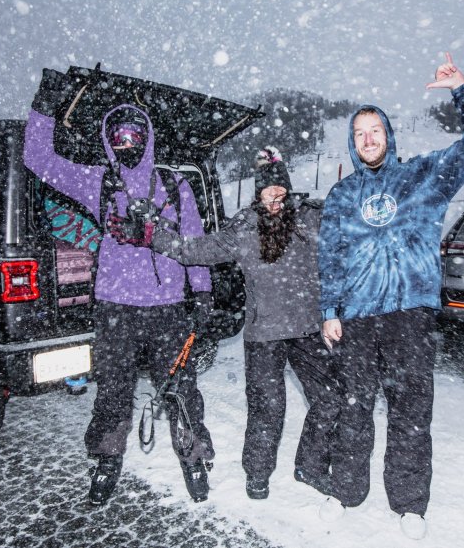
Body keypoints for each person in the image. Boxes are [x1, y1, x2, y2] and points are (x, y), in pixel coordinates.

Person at [318, 52, 464, 539]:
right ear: (352, 144)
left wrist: (462, 90)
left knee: (412, 413)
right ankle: (346, 491)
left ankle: (410, 503)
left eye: (375, 130)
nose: (368, 138)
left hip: (409, 316)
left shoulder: (424, 177)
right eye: (360, 133)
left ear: (388, 135)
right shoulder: (340, 196)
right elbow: (330, 257)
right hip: (355, 319)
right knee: (353, 407)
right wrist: (330, 310)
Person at [110, 147, 347, 503]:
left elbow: (351, 233)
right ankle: (257, 472)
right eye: (267, 191)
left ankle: (310, 466)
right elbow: (192, 250)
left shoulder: (311, 220)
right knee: (269, 408)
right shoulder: (244, 228)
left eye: (280, 191)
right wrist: (150, 234)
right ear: (257, 193)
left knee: (331, 399)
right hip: (264, 334)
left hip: (309, 329)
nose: (274, 198)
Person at [23, 102, 216, 505]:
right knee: (112, 390)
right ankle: (108, 458)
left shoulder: (174, 185)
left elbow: (194, 242)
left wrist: (202, 293)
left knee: (181, 389)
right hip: (116, 308)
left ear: (146, 137)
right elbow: (37, 159)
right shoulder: (100, 182)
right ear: (110, 142)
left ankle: (193, 456)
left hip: (168, 309)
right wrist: (44, 110)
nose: (126, 143)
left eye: (133, 135)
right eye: (118, 137)